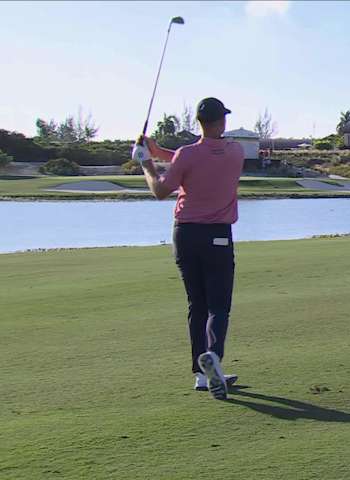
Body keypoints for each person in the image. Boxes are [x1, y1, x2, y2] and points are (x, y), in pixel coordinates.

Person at [138, 97, 245, 400]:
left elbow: (160, 188)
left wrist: (146, 160)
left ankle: (202, 375)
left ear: (198, 121)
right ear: (222, 121)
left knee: (196, 305)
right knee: (218, 306)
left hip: (184, 236)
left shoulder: (186, 154)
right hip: (218, 237)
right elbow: (204, 157)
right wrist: (153, 156)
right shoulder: (235, 151)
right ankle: (212, 358)